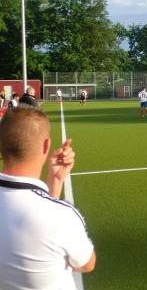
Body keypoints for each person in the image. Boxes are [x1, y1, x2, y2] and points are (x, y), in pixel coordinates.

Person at [0, 107, 96, 289]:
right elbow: (85, 264)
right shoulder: (62, 216)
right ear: (46, 145)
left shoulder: (53, 214)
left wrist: (56, 180)